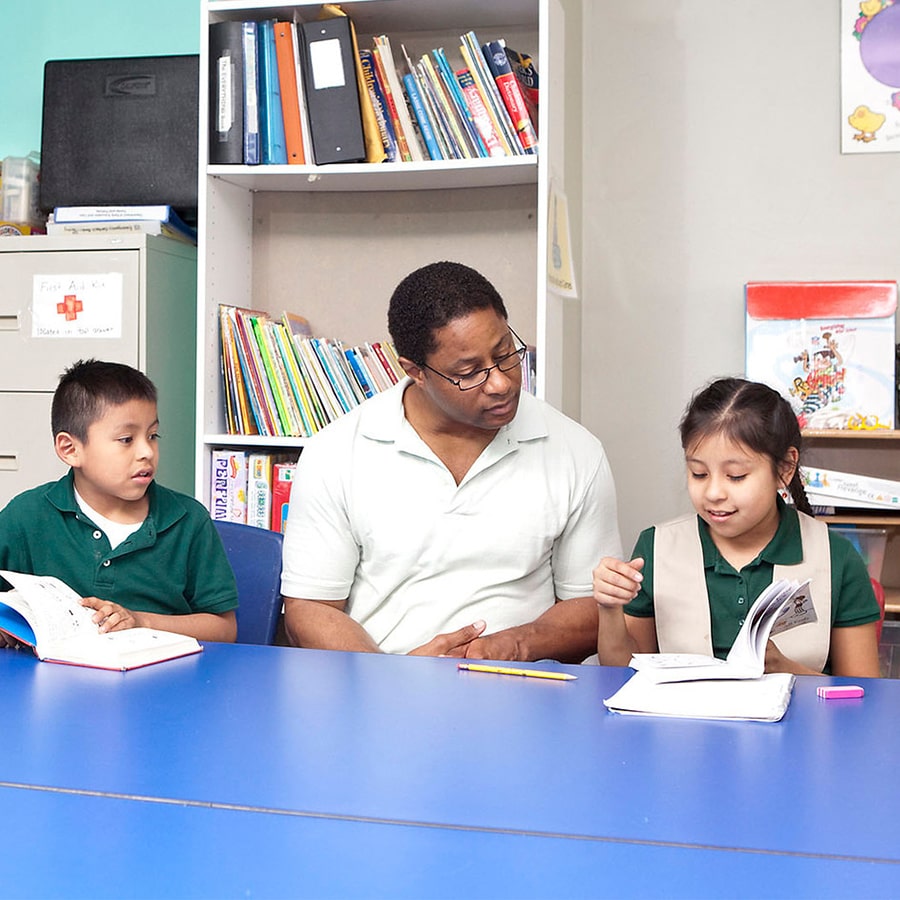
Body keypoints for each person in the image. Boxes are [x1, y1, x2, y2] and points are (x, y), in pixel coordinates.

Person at [281, 261, 622, 660]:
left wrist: (513, 646)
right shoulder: (337, 452)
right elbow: (310, 609)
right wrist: (389, 676)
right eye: (469, 372)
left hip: (522, 683)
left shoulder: (576, 451)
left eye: (505, 354)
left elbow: (592, 607)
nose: (501, 383)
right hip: (379, 681)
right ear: (415, 371)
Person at [594, 377, 882, 677]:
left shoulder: (836, 558)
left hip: (800, 710)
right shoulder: (657, 548)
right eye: (699, 473)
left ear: (785, 468)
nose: (713, 493)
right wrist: (609, 609)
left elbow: (863, 693)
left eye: (736, 476)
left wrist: (788, 670)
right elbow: (622, 673)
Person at [0, 359, 238, 646]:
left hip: (162, 672)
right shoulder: (26, 516)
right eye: (126, 439)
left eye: (153, 436)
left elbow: (224, 629)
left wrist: (140, 622)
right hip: (54, 672)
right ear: (70, 449)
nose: (146, 451)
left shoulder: (188, 519)